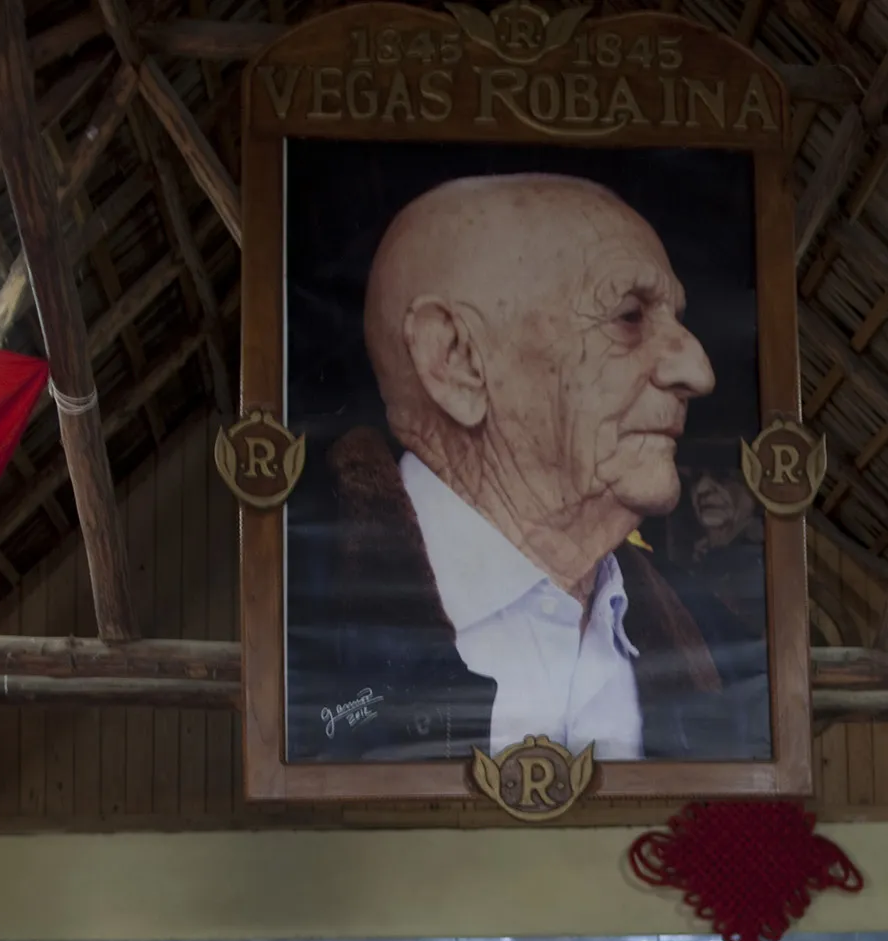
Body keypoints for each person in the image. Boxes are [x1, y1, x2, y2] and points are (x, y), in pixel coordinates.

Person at [293, 172, 753, 762]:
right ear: (457, 360)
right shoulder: (298, 620)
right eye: (629, 316)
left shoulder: (712, 638)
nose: (698, 370)